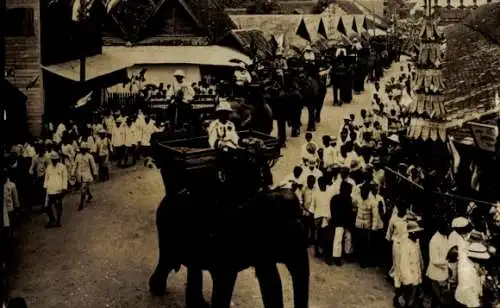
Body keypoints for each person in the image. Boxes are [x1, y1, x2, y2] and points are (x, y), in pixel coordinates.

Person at [395, 220, 424, 308]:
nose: (419, 234)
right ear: (412, 233)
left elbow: (419, 260)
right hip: (409, 279)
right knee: (409, 300)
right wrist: (409, 282)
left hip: (416, 276)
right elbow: (404, 266)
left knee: (414, 299)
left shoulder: (415, 242)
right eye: (417, 232)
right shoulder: (405, 245)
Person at [455, 242, 490, 308]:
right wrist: (477, 304)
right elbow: (467, 292)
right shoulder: (466, 271)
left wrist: (481, 274)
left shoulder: (475, 263)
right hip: (467, 301)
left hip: (475, 294)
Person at [330, 180, 355, 266]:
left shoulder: (348, 198)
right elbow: (333, 211)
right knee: (338, 240)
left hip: (345, 222)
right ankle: (337, 257)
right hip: (339, 222)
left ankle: (346, 254)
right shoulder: (336, 198)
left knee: (347, 238)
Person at [427, 222, 452, 308]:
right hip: (436, 274)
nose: (449, 230)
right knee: (439, 298)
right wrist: (447, 261)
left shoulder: (444, 237)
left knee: (438, 298)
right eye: (447, 228)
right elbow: (434, 260)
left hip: (443, 273)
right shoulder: (434, 240)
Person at [310, 176, 334, 260]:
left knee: (326, 236)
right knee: (317, 235)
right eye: (319, 184)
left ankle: (325, 253)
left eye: (322, 184)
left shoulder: (330, 191)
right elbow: (312, 206)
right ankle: (317, 251)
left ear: (325, 184)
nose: (320, 186)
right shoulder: (315, 193)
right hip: (317, 216)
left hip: (327, 217)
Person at [43, 152, 68, 228]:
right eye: (52, 160)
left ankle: (58, 221)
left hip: (58, 190)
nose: (54, 161)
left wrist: (64, 189)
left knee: (58, 206)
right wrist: (45, 187)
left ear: (58, 159)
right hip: (49, 190)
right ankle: (52, 219)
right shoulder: (49, 167)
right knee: (47, 207)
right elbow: (46, 178)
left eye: (55, 159)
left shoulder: (62, 167)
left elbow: (65, 178)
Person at [73, 142, 97, 211]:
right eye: (81, 149)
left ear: (86, 149)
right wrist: (72, 173)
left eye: (84, 149)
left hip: (87, 174)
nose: (82, 150)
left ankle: (81, 204)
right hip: (80, 174)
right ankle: (89, 195)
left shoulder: (89, 156)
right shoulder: (78, 156)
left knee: (83, 189)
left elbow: (93, 165)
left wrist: (95, 173)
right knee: (84, 187)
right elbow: (75, 165)